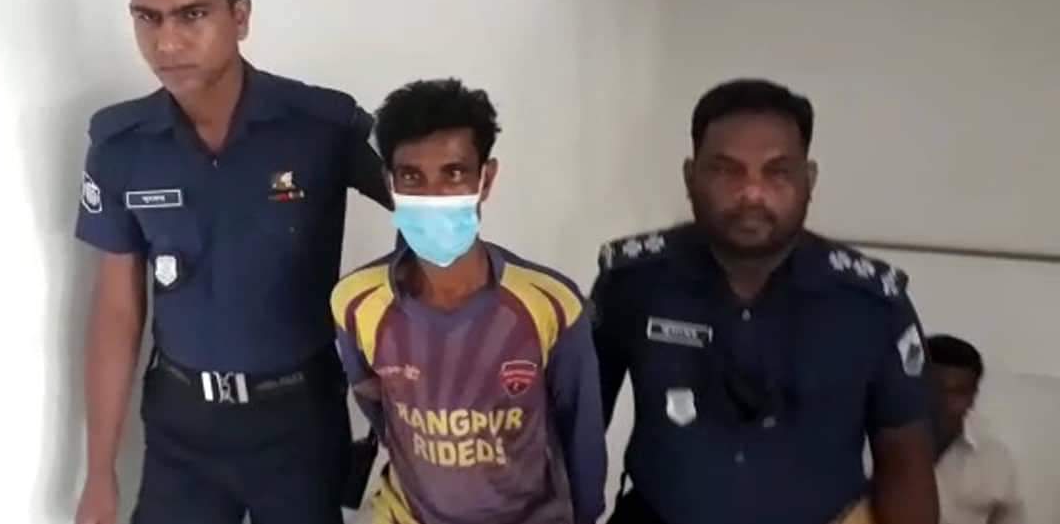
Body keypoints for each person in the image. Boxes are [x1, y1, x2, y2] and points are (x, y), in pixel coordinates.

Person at [72, 0, 390, 524]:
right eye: (147, 18)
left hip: (299, 421)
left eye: (191, 15)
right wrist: (99, 472)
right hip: (181, 426)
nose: (167, 42)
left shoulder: (319, 126)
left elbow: (429, 207)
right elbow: (117, 311)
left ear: (239, 17)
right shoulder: (121, 146)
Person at [591, 79, 939, 524]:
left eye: (777, 172)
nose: (752, 193)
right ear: (690, 177)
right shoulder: (634, 282)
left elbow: (906, 464)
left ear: (809, 180)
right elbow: (573, 432)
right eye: (726, 171)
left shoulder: (871, 303)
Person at [329, 79, 608, 524]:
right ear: (389, 183)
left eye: (454, 173)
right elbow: (381, 411)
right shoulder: (356, 302)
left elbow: (582, 436)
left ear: (486, 179)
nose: (433, 196)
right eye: (412, 177)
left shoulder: (550, 305)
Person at [927, 334, 1025, 524]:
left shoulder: (994, 459)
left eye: (957, 392)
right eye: (934, 389)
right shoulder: (875, 450)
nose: (944, 402)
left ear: (973, 397)